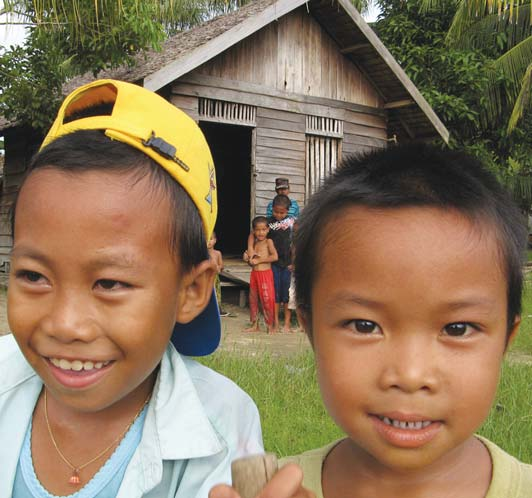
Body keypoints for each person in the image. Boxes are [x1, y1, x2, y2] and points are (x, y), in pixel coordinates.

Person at [210, 144, 532, 498]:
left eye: (457, 328)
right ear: (311, 329)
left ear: (506, 338)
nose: (410, 376)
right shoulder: (275, 491)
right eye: (364, 325)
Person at [1, 79, 263, 498]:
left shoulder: (224, 423)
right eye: (34, 276)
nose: (66, 325)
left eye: (109, 283)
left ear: (192, 290)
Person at [243, 216, 278, 333]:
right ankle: (255, 325)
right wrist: (247, 259)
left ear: (268, 230)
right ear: (254, 231)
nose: (260, 232)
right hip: (255, 274)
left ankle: (270, 326)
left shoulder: (269, 242)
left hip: (265, 274)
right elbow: (251, 263)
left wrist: (259, 260)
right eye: (258, 230)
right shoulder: (254, 244)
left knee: (267, 299)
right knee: (253, 299)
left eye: (263, 229)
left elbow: (275, 257)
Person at [266, 195, 295, 332]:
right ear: (272, 209)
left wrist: (294, 262)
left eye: (282, 212)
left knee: (287, 296)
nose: (278, 215)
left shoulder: (292, 223)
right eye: (276, 212)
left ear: (288, 211)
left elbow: (296, 244)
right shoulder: (267, 223)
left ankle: (287, 324)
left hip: (288, 265)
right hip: (274, 264)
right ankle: (276, 322)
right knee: (275, 294)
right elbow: (257, 237)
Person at [208, 231, 229, 317]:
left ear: (215, 240)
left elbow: (221, 265)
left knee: (216, 293)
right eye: (206, 239)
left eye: (211, 239)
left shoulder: (217, 253)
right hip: (205, 278)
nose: (208, 241)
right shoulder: (201, 253)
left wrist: (219, 267)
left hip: (215, 278)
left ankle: (217, 309)